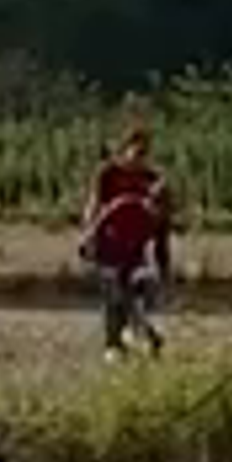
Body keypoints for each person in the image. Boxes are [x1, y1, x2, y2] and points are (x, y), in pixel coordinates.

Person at [81, 120, 177, 354]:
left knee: (139, 288)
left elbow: (162, 225)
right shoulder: (108, 173)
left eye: (145, 152)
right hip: (108, 244)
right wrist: (88, 236)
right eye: (136, 150)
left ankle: (136, 333)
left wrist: (164, 263)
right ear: (124, 149)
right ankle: (115, 343)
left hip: (135, 249)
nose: (140, 157)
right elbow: (95, 206)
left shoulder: (152, 180)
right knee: (114, 293)